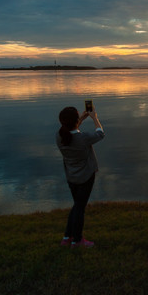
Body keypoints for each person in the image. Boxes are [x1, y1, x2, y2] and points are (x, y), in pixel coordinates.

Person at [57, 105, 105, 248]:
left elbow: (71, 130)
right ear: (75, 120)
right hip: (85, 177)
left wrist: (82, 118)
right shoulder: (82, 138)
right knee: (80, 208)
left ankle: (67, 237)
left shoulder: (59, 136)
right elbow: (100, 133)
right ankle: (77, 241)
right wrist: (95, 118)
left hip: (71, 177)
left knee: (77, 205)